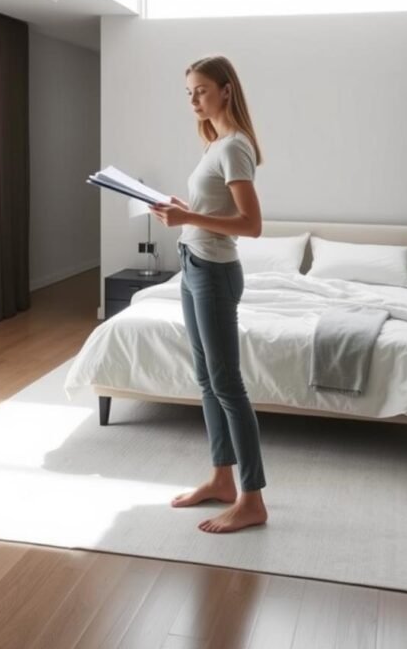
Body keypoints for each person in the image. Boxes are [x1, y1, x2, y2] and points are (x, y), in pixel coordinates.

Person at [149, 55, 268, 534]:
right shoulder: (214, 144)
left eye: (200, 90)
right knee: (206, 381)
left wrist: (189, 219)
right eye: (188, 93)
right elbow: (212, 208)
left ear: (225, 90)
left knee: (228, 386)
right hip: (192, 265)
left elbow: (252, 226)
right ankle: (221, 478)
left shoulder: (235, 147)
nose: (193, 99)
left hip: (215, 273)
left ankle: (252, 499)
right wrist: (185, 209)